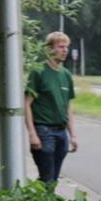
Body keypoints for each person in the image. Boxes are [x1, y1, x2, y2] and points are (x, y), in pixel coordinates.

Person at [25, 31, 78, 185]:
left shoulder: (66, 74)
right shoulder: (38, 71)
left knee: (53, 178)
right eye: (61, 47)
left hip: (62, 132)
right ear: (49, 49)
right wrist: (32, 134)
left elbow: (67, 106)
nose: (64, 51)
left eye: (66, 47)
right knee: (46, 178)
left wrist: (73, 135)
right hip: (44, 131)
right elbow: (27, 103)